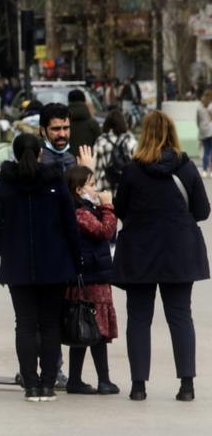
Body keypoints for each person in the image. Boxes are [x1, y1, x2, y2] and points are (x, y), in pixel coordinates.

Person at [113, 110, 210, 402]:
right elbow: (203, 211)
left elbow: (120, 210)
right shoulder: (187, 168)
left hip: (140, 253)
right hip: (179, 252)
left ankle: (139, 386)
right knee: (180, 316)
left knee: (139, 318)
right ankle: (187, 385)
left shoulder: (132, 170)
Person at [0, 133, 81, 402]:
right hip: (55, 265)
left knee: (25, 324)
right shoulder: (55, 179)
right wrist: (75, 259)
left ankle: (30, 384)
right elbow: (70, 224)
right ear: (40, 153)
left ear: (14, 154)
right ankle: (48, 384)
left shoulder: (5, 181)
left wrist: (6, 249)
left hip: (17, 267)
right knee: (50, 324)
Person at [63, 165, 120, 395]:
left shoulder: (87, 209)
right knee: (93, 330)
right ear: (78, 190)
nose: (96, 189)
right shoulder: (80, 213)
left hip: (92, 275)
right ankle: (103, 380)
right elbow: (104, 232)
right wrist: (108, 205)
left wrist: (102, 207)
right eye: (91, 184)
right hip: (90, 279)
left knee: (86, 329)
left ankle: (75, 380)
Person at [93, 109, 136, 194]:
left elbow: (97, 170)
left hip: (106, 192)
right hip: (126, 192)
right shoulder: (131, 141)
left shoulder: (101, 141)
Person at [198, 90, 212, 176]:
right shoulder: (211, 106)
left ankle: (204, 170)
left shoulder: (199, 107)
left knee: (206, 151)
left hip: (203, 131)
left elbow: (197, 120)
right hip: (211, 130)